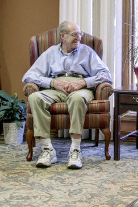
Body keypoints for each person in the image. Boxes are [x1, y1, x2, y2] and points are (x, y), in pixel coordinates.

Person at [22, 21, 112, 170]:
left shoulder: (87, 51)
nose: (79, 38)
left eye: (80, 34)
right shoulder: (50, 52)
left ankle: (75, 150)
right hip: (56, 87)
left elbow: (106, 75)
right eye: (74, 34)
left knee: (77, 98)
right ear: (62, 36)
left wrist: (83, 82)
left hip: (80, 87)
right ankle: (47, 150)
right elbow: (28, 76)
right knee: (34, 98)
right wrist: (52, 83)